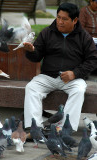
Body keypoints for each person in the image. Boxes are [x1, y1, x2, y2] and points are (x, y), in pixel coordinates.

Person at [23, 3, 97, 132]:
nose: (60, 22)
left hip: (73, 79)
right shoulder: (47, 32)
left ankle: (64, 129)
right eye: (58, 17)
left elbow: (92, 60)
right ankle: (35, 129)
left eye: (64, 19)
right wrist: (31, 50)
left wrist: (75, 73)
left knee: (79, 90)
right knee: (31, 87)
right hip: (48, 77)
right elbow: (36, 57)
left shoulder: (84, 37)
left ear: (74, 20)